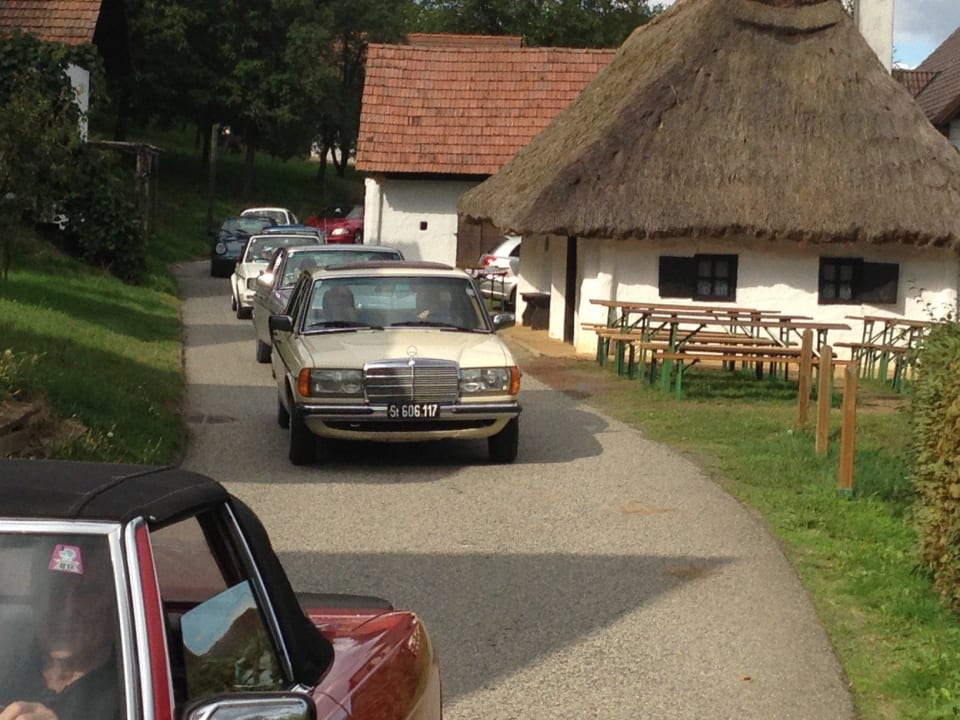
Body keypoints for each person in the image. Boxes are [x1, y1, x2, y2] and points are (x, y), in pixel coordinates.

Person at [0, 538, 122, 720]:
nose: (68, 610)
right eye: (55, 590)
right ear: (34, 597)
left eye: (86, 592)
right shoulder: (7, 660)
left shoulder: (132, 687)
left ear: (113, 603)